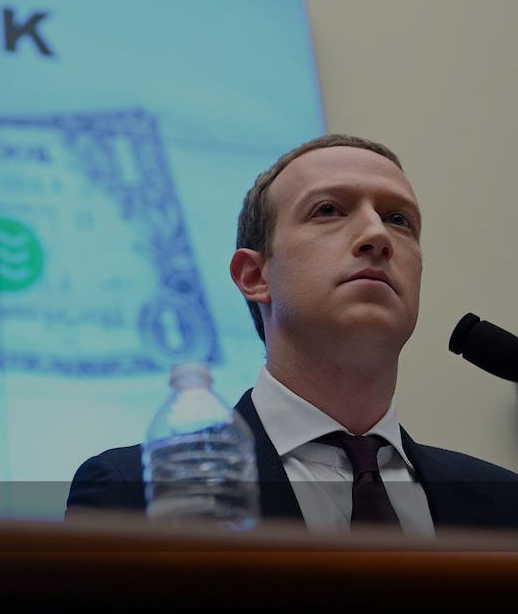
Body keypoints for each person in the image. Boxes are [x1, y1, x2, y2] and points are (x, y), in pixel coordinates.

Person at [66, 134, 518, 533]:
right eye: (328, 210)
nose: (377, 235)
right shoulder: (132, 493)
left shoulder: (504, 504)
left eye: (399, 219)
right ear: (254, 276)